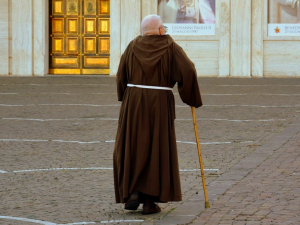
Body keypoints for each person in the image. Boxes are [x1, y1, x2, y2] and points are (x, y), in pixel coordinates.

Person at [113, 14, 202, 215]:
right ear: (160, 29)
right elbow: (188, 70)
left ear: (144, 30)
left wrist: (124, 97)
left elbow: (121, 74)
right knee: (156, 148)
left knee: (133, 145)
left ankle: (133, 192)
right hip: (159, 103)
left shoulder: (132, 46)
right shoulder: (170, 46)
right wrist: (191, 97)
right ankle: (149, 202)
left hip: (134, 101)